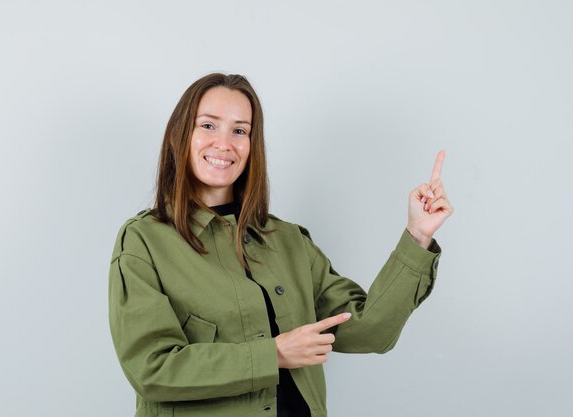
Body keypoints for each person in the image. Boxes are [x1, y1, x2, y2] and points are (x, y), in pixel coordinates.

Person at [108, 72, 454, 417]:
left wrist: (417, 236)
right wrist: (272, 354)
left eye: (240, 130)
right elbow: (152, 369)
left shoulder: (288, 241)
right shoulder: (144, 241)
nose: (224, 143)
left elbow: (370, 332)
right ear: (180, 135)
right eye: (208, 126)